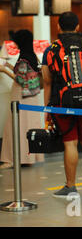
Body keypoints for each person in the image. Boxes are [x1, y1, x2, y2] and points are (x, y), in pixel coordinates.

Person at [41, 12, 82, 198]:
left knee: (70, 142)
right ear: (77, 27)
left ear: (58, 27)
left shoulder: (51, 49)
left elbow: (47, 81)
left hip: (62, 102)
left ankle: (71, 186)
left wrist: (47, 109)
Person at [0, 30, 45, 169]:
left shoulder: (23, 58)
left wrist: (4, 70)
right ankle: (28, 157)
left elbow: (20, 80)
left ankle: (12, 159)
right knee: (29, 125)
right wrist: (7, 65)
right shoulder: (31, 56)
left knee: (15, 125)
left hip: (21, 95)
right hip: (31, 97)